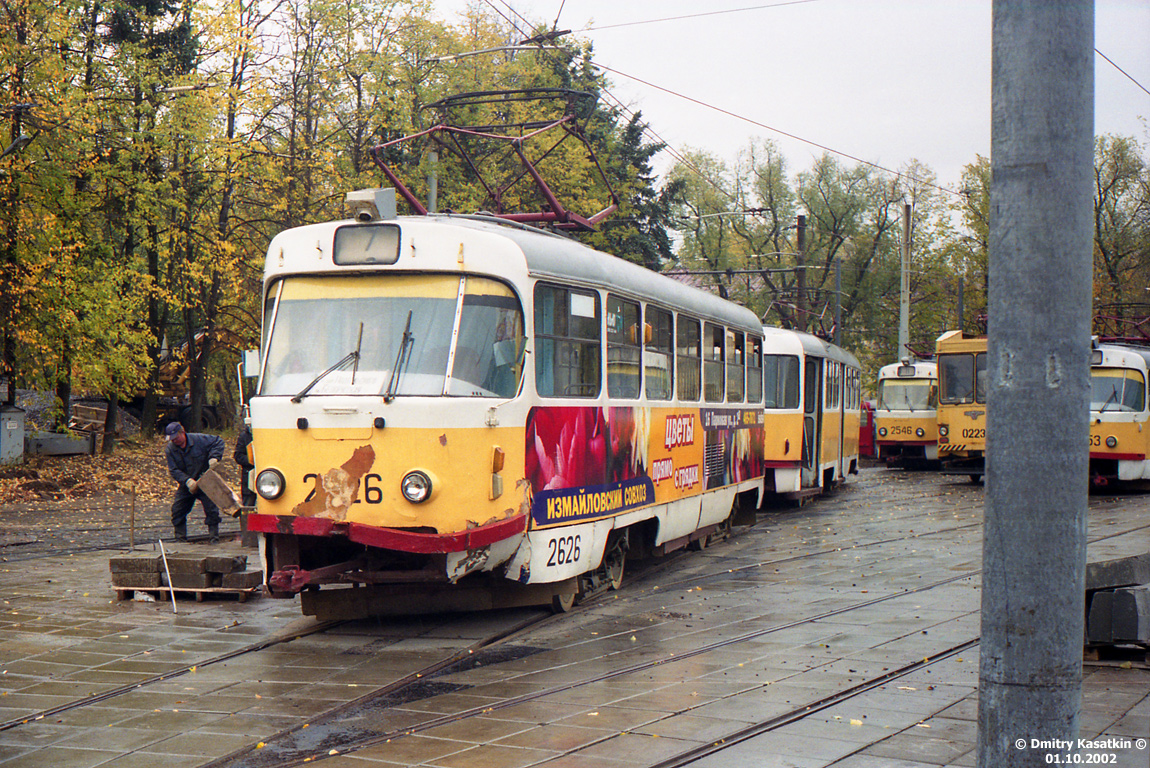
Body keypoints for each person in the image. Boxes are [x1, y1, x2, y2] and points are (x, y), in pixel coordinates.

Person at [165, 422, 226, 543]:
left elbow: (219, 441)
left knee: (211, 511)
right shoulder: (170, 449)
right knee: (177, 510)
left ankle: (214, 539)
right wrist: (187, 481)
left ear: (182, 433)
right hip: (187, 484)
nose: (174, 441)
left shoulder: (199, 439)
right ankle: (180, 539)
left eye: (176, 438)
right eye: (172, 439)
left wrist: (214, 457)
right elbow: (174, 470)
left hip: (204, 480)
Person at [233, 425, 256, 507]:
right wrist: (252, 460)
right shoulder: (244, 436)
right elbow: (238, 456)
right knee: (248, 506)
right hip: (249, 476)